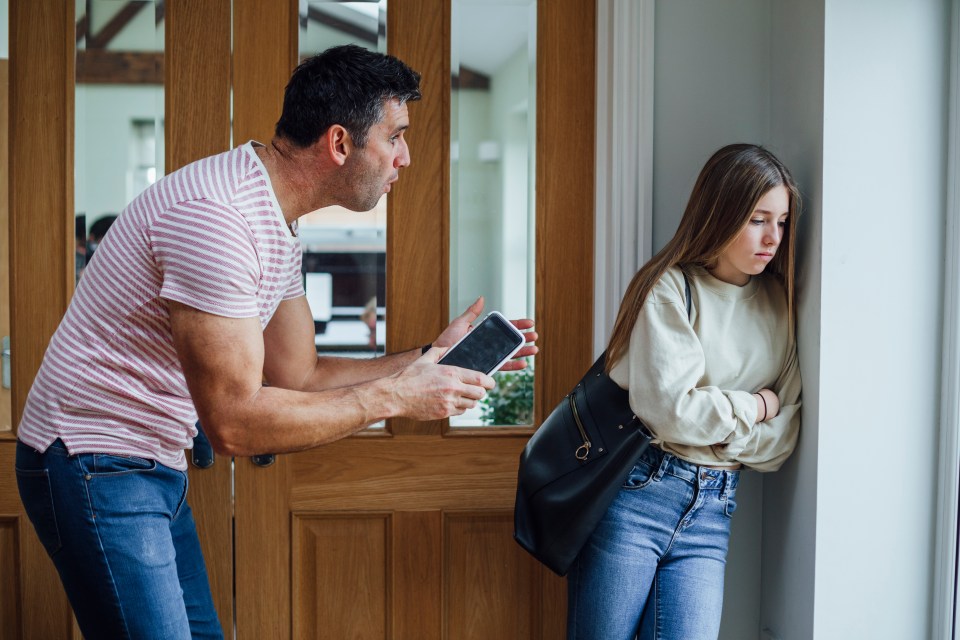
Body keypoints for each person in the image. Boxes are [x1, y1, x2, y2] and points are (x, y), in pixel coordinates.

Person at [15, 44, 536, 640]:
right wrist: (396, 397)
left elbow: (299, 375)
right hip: (93, 458)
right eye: (395, 137)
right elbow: (234, 423)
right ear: (340, 144)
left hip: (148, 460)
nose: (405, 157)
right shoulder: (217, 218)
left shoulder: (273, 216)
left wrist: (426, 360)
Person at [566, 144, 801, 640]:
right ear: (722, 212)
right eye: (759, 219)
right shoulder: (669, 289)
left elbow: (784, 437)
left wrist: (717, 434)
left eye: (781, 222)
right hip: (637, 496)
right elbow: (671, 413)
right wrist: (757, 405)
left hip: (714, 510)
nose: (773, 238)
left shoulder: (782, 303)